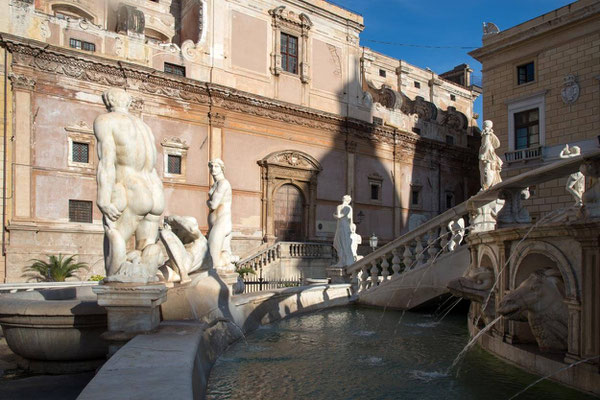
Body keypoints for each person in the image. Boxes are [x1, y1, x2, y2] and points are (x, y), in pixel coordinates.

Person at [94, 88, 165, 282]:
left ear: (108, 101)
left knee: (114, 239)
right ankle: (146, 300)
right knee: (147, 250)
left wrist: (103, 199)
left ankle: (117, 299)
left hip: (132, 188)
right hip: (155, 190)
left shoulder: (106, 120)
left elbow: (107, 163)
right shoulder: (144, 126)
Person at [207, 159, 234, 272]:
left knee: (212, 262)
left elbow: (213, 204)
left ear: (222, 168)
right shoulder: (216, 184)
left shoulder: (223, 183)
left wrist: (207, 202)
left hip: (221, 224)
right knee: (216, 260)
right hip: (216, 224)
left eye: (216, 166)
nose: (213, 169)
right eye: (211, 166)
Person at [479, 120, 503, 191]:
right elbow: (496, 144)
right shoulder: (488, 133)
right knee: (486, 171)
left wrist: (483, 154)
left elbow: (486, 144)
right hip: (490, 154)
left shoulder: (487, 133)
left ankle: (487, 187)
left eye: (483, 125)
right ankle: (488, 186)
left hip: (487, 155)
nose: (482, 126)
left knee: (486, 171)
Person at [333, 195, 355, 267]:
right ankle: (342, 261)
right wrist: (351, 226)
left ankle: (345, 260)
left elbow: (339, 216)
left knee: (341, 242)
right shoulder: (348, 207)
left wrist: (335, 216)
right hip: (343, 226)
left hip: (342, 226)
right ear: (348, 201)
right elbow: (350, 219)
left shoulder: (341, 207)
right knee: (341, 242)